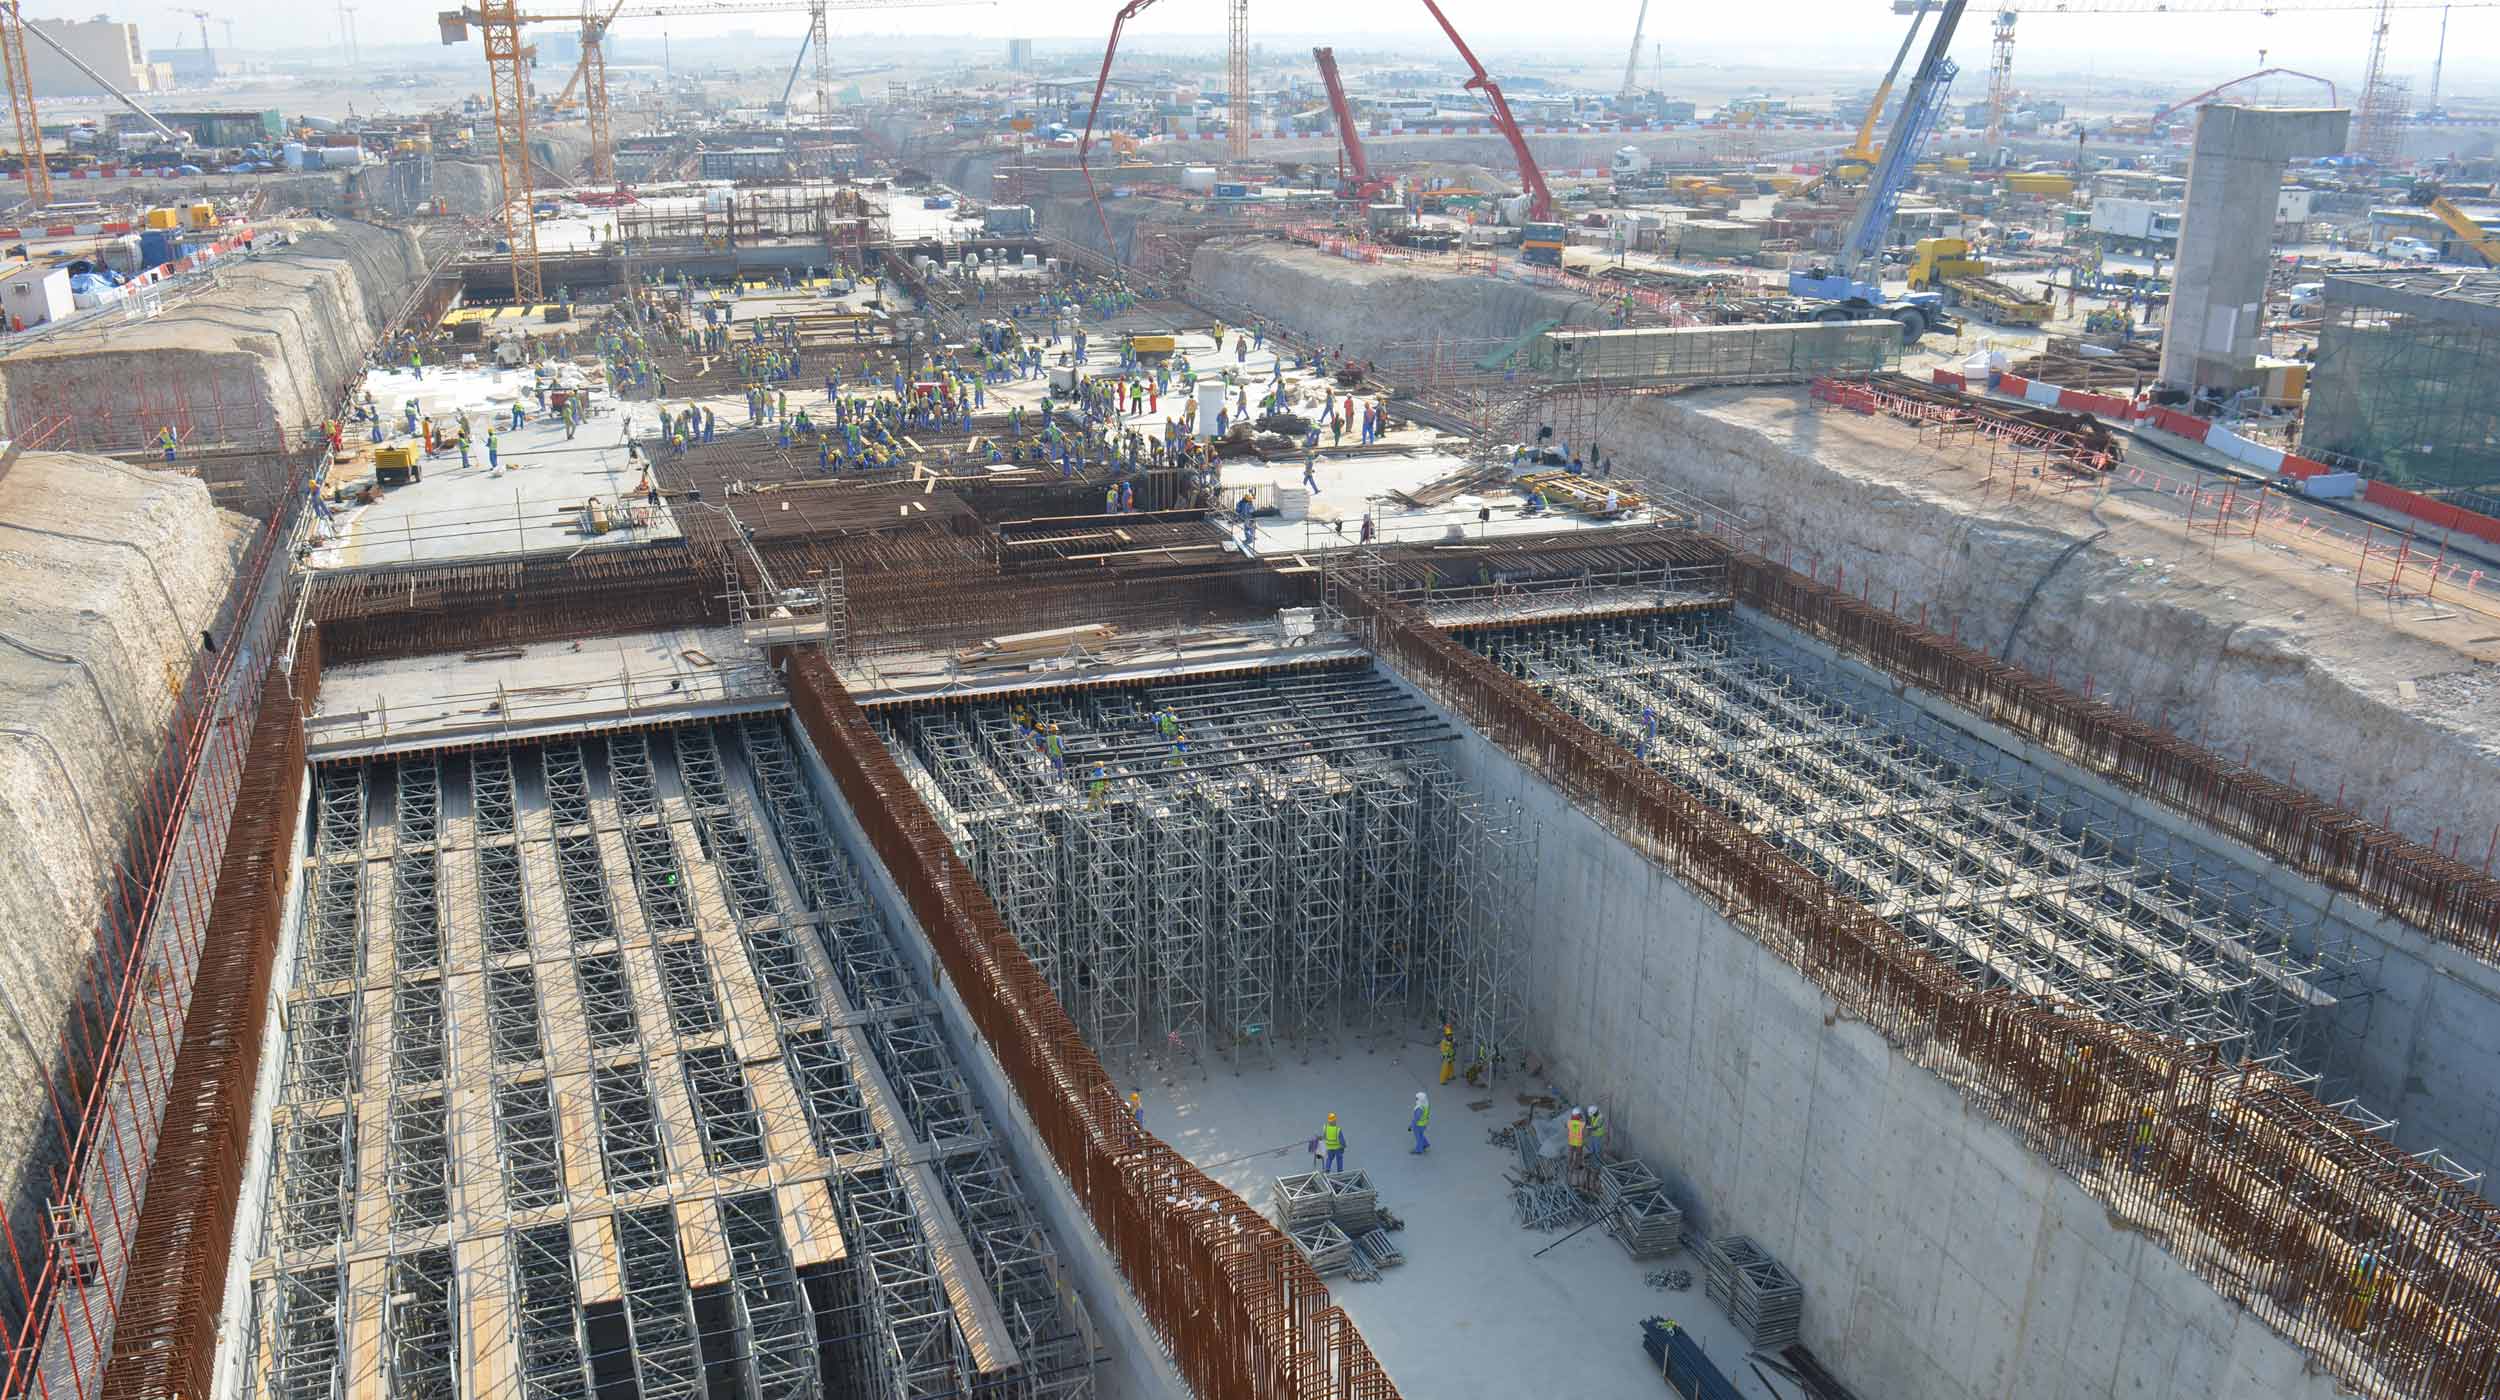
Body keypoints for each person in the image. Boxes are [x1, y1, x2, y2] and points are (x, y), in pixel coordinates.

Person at [1566, 1106, 1586, 1182]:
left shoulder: (1569, 1123)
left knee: (1570, 1154)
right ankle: (1576, 1167)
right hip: (1578, 1142)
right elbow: (1584, 1123)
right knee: (1578, 1155)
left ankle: (1568, 1165)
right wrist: (1581, 1116)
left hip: (1571, 1141)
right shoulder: (1581, 1124)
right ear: (1578, 1115)